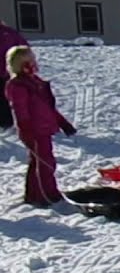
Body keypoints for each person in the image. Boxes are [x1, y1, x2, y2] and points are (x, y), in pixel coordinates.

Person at [5, 46, 76, 207]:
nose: (33, 64)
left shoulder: (35, 82)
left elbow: (48, 107)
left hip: (44, 128)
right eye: (28, 62)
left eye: (32, 60)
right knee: (46, 163)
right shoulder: (18, 86)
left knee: (37, 161)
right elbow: (20, 111)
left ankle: (33, 194)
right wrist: (26, 130)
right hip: (33, 130)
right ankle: (48, 194)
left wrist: (63, 123)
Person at [0, 18, 29, 129]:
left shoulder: (9, 33)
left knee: (7, 96)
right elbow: (24, 47)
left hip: (9, 70)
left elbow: (23, 48)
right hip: (10, 69)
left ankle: (7, 121)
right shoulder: (10, 33)